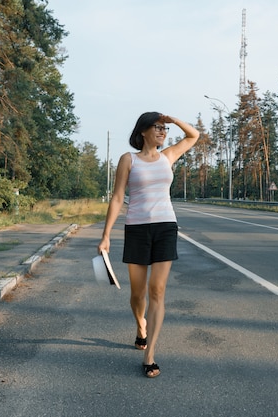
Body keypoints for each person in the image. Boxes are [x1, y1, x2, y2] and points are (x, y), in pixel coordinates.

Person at [98, 112, 200, 378]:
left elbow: (194, 136)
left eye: (165, 128)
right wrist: (106, 234)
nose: (163, 131)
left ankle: (150, 354)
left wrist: (175, 120)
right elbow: (118, 197)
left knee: (157, 290)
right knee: (137, 294)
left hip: (166, 227)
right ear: (143, 131)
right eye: (157, 127)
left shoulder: (168, 156)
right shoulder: (128, 160)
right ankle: (140, 326)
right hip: (137, 229)